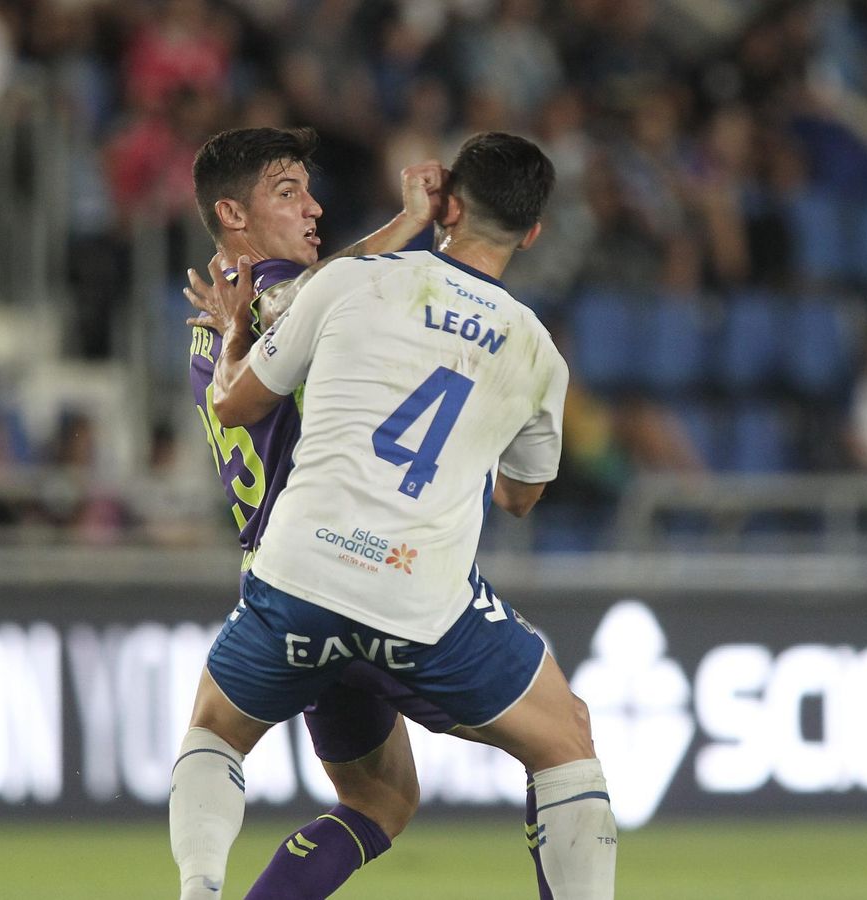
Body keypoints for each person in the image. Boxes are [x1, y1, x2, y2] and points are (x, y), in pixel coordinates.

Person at [179, 131, 614, 899]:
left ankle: (201, 887)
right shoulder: (529, 346)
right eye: (289, 193)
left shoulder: (232, 317)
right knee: (565, 741)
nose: (314, 207)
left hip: (292, 579)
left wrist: (240, 335)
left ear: (449, 203)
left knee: (360, 791)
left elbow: (239, 388)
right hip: (408, 590)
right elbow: (519, 497)